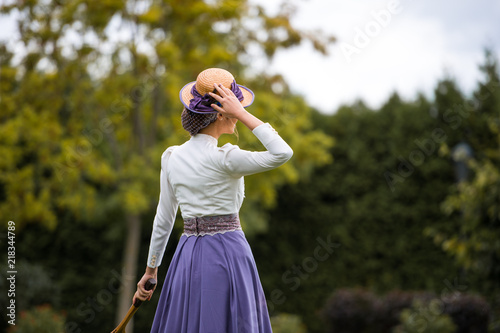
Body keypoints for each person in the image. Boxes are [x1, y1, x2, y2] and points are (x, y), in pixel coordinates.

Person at [134, 68, 293, 332]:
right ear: (222, 112)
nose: (238, 115)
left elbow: (164, 219)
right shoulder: (227, 158)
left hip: (187, 255)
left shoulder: (171, 156)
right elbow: (282, 153)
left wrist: (151, 271)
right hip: (229, 253)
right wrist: (242, 113)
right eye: (235, 107)